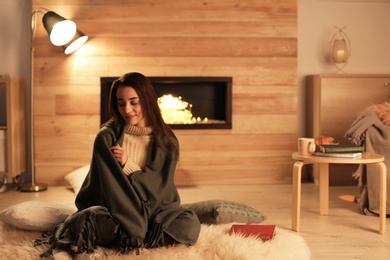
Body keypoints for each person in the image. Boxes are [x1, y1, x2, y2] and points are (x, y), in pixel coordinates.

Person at [37, 72, 201, 257]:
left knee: (189, 223)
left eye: (134, 102)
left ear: (147, 100)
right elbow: (112, 189)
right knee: (93, 221)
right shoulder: (106, 138)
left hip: (155, 209)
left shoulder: (167, 141)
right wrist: (134, 219)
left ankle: (132, 235)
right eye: (121, 103)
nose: (127, 109)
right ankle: (137, 234)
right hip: (116, 210)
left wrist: (128, 165)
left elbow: (160, 190)